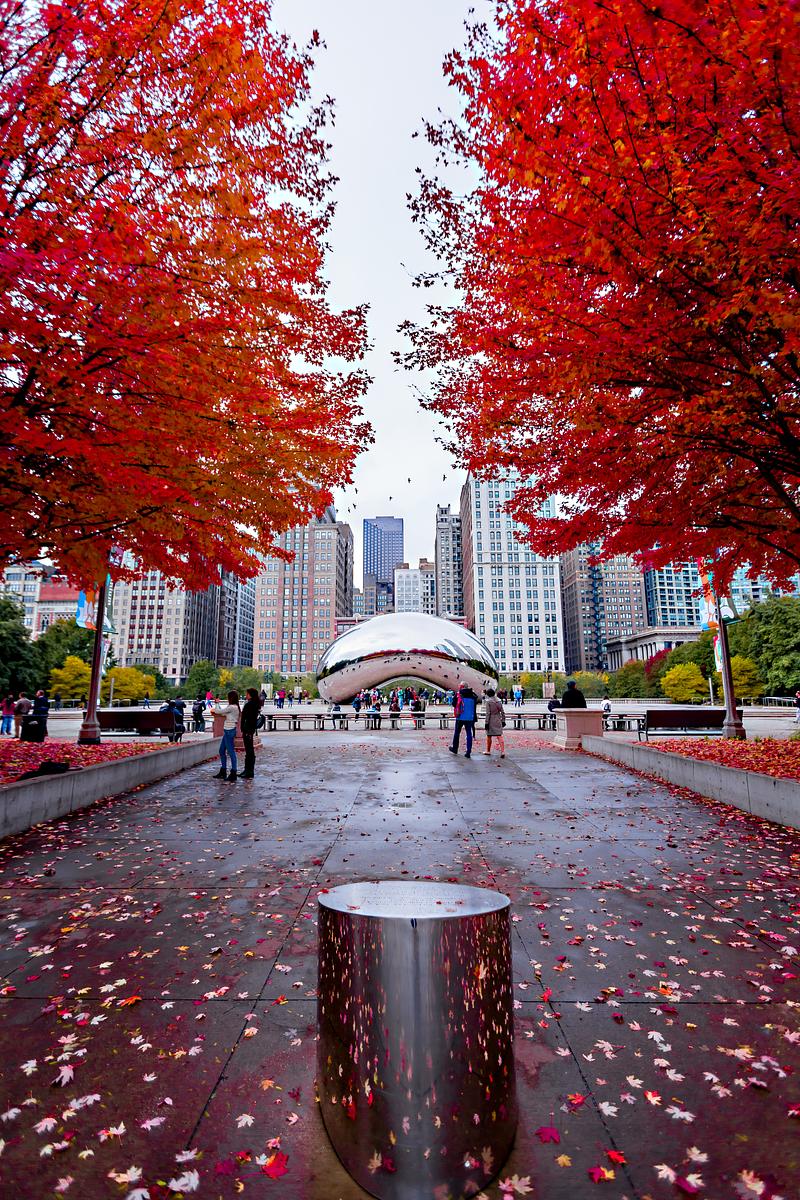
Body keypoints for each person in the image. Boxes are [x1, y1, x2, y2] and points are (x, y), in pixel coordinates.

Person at [210, 690, 241, 781]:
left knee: (231, 752)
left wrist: (216, 704)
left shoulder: (232, 707)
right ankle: (223, 771)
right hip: (228, 730)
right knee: (222, 750)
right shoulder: (233, 707)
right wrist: (217, 705)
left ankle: (233, 772)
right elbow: (222, 712)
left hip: (229, 730)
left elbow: (218, 711)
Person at [449, 682, 477, 758]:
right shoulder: (473, 694)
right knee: (469, 733)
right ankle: (468, 751)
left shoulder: (458, 694)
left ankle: (455, 748)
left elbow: (454, 704)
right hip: (469, 717)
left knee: (457, 733)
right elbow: (474, 706)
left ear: (462, 686)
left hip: (460, 716)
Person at [240, 688, 262, 779]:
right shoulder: (256, 704)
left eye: (247, 694)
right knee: (250, 751)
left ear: (250, 694)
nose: (246, 695)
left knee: (249, 751)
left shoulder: (249, 704)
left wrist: (243, 728)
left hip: (247, 729)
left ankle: (248, 771)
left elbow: (244, 717)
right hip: (251, 729)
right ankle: (248, 770)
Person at [482, 687, 506, 758]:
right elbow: (502, 712)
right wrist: (503, 720)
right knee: (499, 735)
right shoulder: (499, 701)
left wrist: (486, 723)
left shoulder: (488, 702)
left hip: (491, 720)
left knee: (489, 736)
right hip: (498, 719)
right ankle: (502, 751)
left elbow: (488, 713)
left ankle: (488, 750)